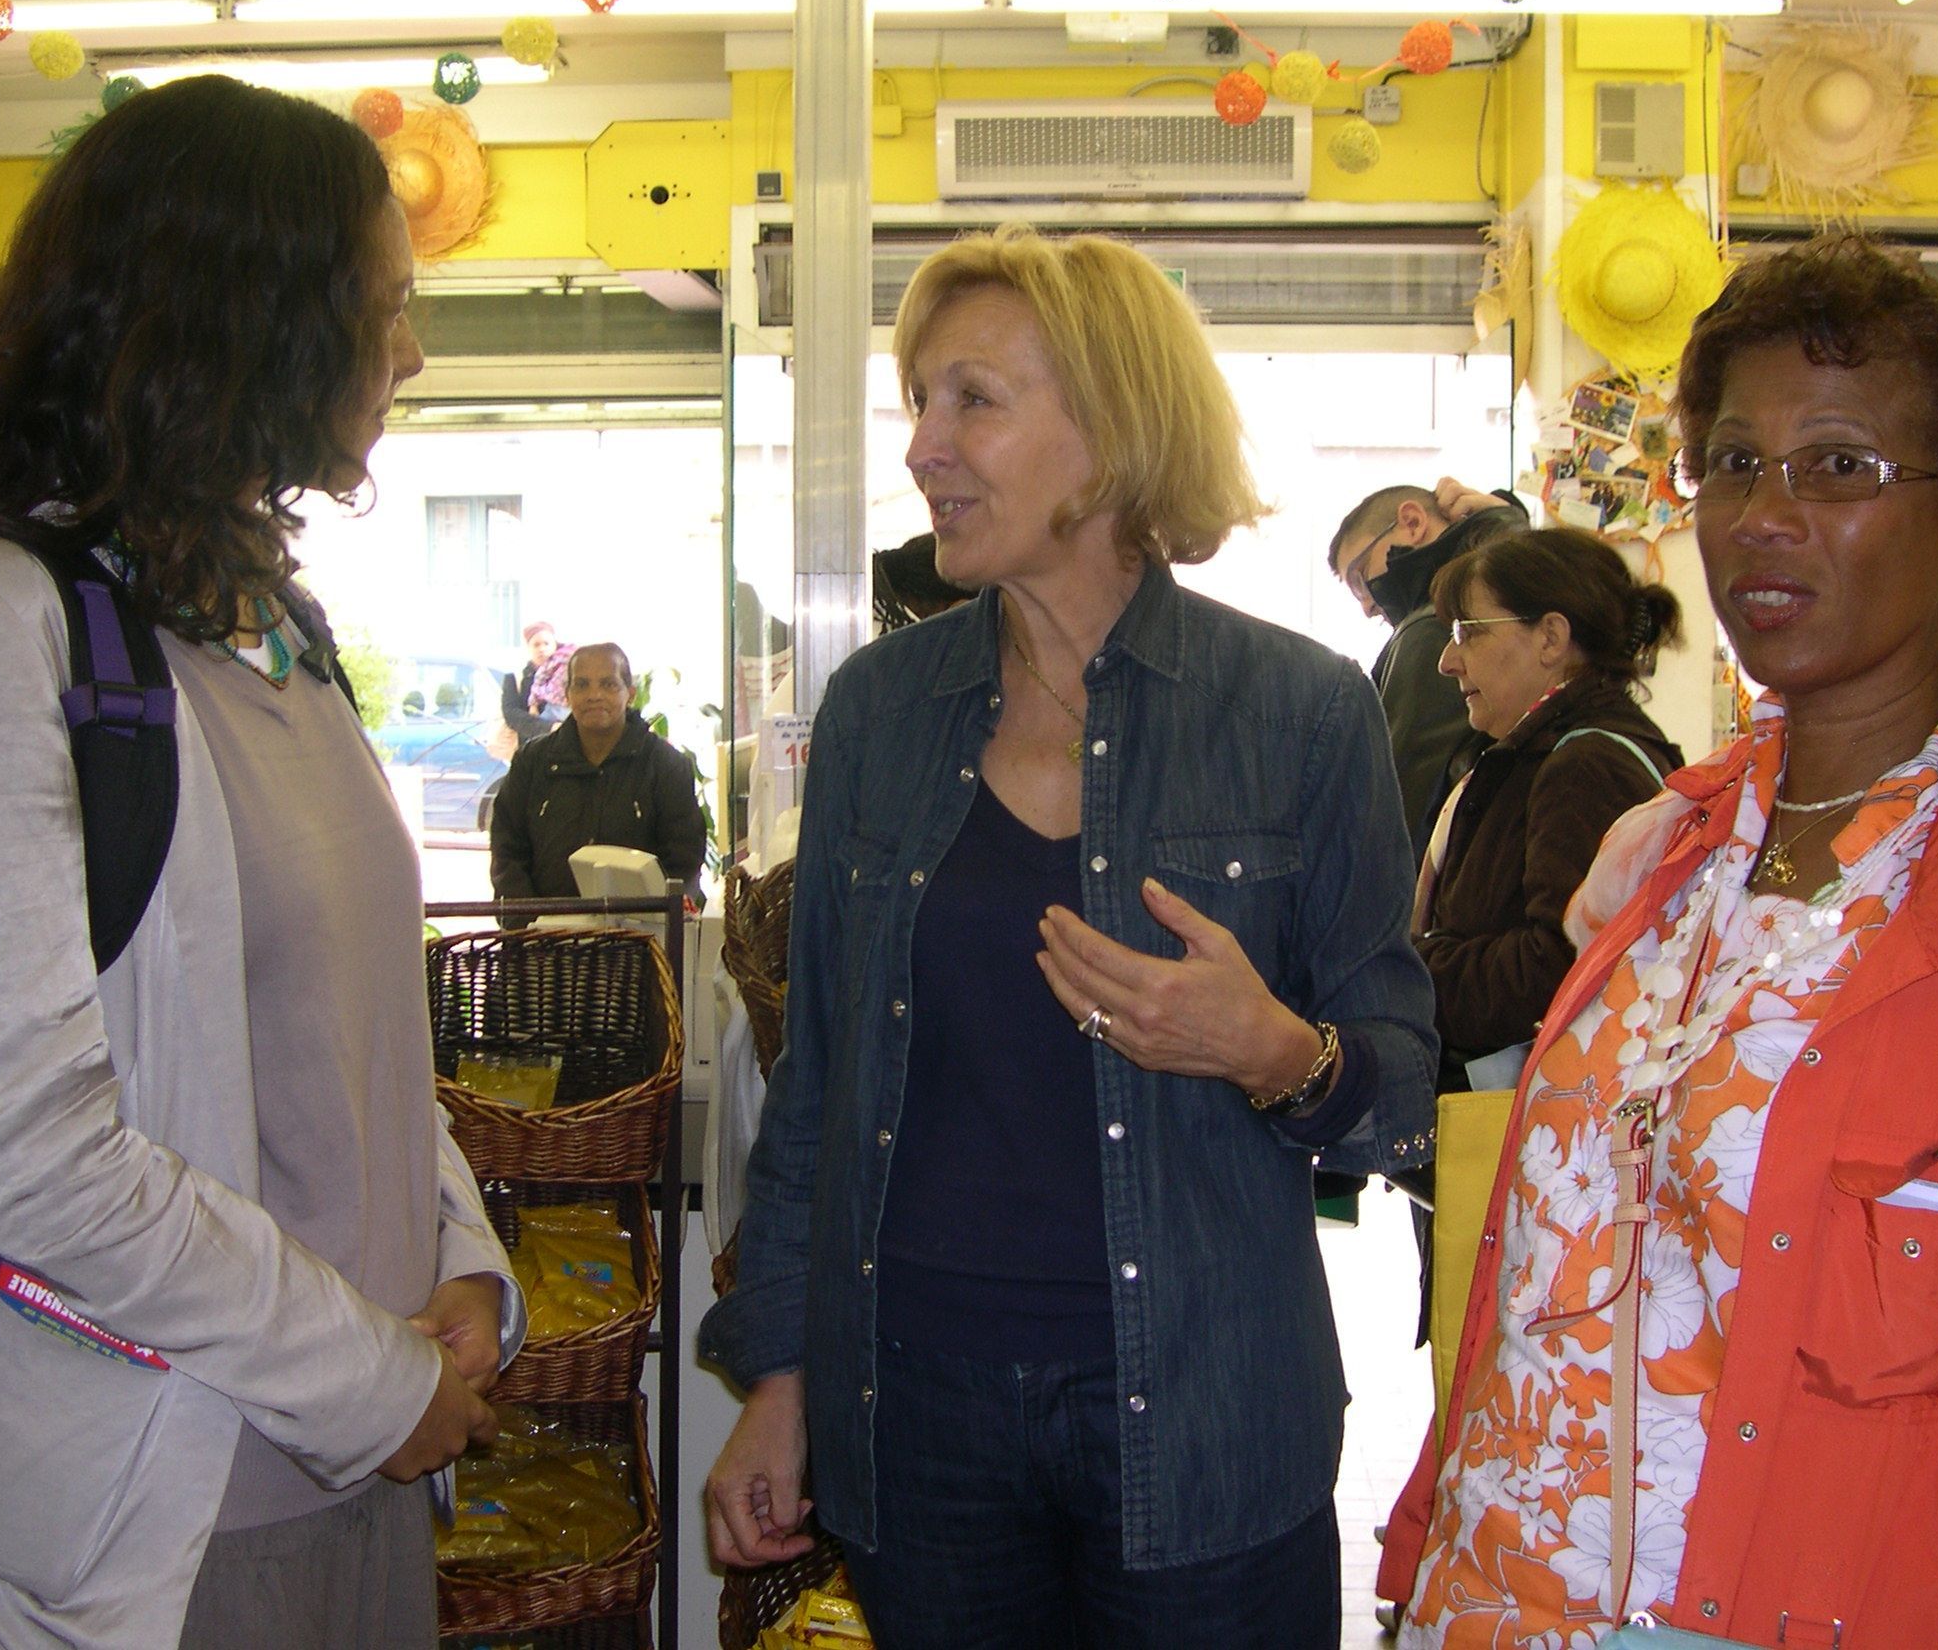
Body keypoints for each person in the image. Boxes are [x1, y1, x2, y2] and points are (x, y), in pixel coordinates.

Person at [0, 77, 520, 1650]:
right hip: (140, 1547)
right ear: (247, 320)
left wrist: (467, 1271)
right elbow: (21, 1149)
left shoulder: (277, 634)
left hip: (370, 1487)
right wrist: (371, 1380)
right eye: (382, 309)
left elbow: (356, 1045)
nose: (409, 354)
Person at [698, 224, 1438, 1647]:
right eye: (920, 400)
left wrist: (1273, 1053)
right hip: (919, 1426)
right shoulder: (879, 714)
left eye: (972, 399)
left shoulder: (1297, 713)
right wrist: (780, 1381)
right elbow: (819, 1090)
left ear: (1111, 429)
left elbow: (1401, 1086)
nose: (923, 446)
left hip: (1207, 1419)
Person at [1381, 233, 1938, 1646]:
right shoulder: (1666, 857)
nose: (1764, 515)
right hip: (1493, 1599)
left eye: (1838, 467)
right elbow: (1537, 1280)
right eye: (1732, 463)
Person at [1417, 527, 1683, 1096]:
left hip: (1532, 1108)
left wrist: (1413, 966)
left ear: (1551, 638)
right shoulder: (1544, 753)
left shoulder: (1585, 765)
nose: (1447, 661)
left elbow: (1559, 969)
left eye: (1467, 631)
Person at [1330, 479, 1529, 861]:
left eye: (1360, 577)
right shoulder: (1502, 602)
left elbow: (1402, 806)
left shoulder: (1426, 631)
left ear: (1412, 522)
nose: (1367, 607)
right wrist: (1506, 524)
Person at [488, 641, 708, 903]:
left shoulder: (665, 765)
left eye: (608, 684)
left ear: (630, 693)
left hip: (641, 925)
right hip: (543, 924)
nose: (594, 695)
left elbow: (684, 861)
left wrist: (658, 919)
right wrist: (527, 920)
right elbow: (507, 851)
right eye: (581, 685)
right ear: (567, 694)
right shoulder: (532, 762)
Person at [501, 619, 564, 743]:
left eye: (546, 643)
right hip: (531, 745)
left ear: (555, 645)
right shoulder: (515, 677)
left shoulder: (568, 674)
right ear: (528, 647)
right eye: (536, 644)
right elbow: (511, 714)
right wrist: (549, 727)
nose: (542, 649)